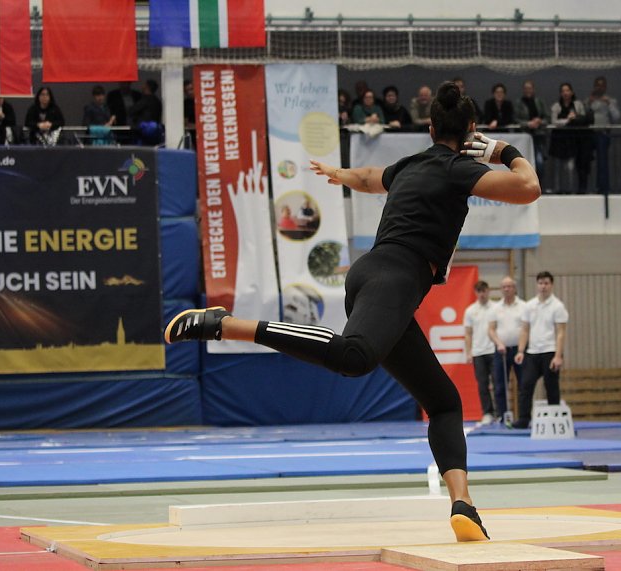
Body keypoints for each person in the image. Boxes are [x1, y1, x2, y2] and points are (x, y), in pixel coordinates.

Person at [164, 81, 541, 542]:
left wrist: (339, 173)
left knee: (444, 402)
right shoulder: (459, 168)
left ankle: (463, 505)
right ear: (470, 130)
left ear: (429, 127)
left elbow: (367, 178)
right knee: (354, 357)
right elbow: (528, 188)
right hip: (395, 277)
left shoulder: (411, 164)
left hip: (381, 277)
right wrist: (503, 149)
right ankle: (227, 324)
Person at [513, 271, 568, 430]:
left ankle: (554, 418)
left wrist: (558, 356)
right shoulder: (529, 306)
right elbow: (524, 330)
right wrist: (521, 350)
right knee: (526, 384)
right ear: (536, 285)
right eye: (540, 283)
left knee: (551, 386)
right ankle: (523, 419)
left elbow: (561, 332)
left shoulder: (558, 306)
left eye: (546, 283)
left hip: (550, 351)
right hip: (532, 352)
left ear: (551, 285)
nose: (543, 286)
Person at [487, 276, 525, 425]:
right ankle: (503, 416)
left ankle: (523, 417)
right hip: (501, 350)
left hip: (519, 350)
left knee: (523, 384)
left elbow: (526, 329)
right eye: (504, 287)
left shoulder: (523, 306)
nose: (507, 289)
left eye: (509, 286)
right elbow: (491, 330)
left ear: (514, 288)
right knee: (500, 385)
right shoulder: (495, 308)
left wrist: (522, 348)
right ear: (501, 289)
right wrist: (499, 343)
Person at [464, 281, 497, 425]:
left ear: (488, 291)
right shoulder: (470, 311)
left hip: (494, 350)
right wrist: (468, 352)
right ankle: (488, 413)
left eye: (484, 291)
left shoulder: (496, 307)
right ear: (475, 293)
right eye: (479, 291)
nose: (482, 294)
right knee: (482, 384)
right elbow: (468, 333)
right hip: (478, 352)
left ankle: (501, 412)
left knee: (498, 383)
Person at [550, 82, 592, 193]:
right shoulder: (556, 106)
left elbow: (583, 118)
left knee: (570, 167)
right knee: (558, 167)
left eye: (567, 90)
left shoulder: (577, 104)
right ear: (560, 93)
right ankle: (558, 189)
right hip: (558, 140)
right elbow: (554, 122)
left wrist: (575, 118)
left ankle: (569, 189)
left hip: (573, 140)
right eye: (563, 91)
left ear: (572, 92)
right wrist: (567, 120)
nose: (565, 93)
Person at [585, 76, 621, 194]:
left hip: (602, 134)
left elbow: (616, 117)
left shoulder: (611, 100)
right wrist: (589, 103)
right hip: (589, 134)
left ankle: (603, 188)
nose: (599, 87)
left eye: (602, 85)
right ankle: (587, 187)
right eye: (597, 85)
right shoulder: (589, 100)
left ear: (605, 87)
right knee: (585, 162)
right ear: (594, 86)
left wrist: (609, 103)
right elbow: (582, 115)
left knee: (602, 162)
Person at [514, 80, 548, 179]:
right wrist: (528, 124)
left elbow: (547, 118)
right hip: (525, 137)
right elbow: (516, 119)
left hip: (538, 136)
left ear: (533, 89)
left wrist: (539, 121)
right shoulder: (519, 103)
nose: (528, 90)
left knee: (539, 162)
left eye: (530, 88)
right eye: (526, 88)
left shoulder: (539, 102)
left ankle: (539, 185)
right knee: (525, 162)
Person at [130, 79, 163, 146]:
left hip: (144, 132)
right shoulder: (157, 101)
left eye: (144, 85)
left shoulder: (145, 100)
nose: (142, 87)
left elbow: (132, 110)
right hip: (155, 131)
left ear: (147, 87)